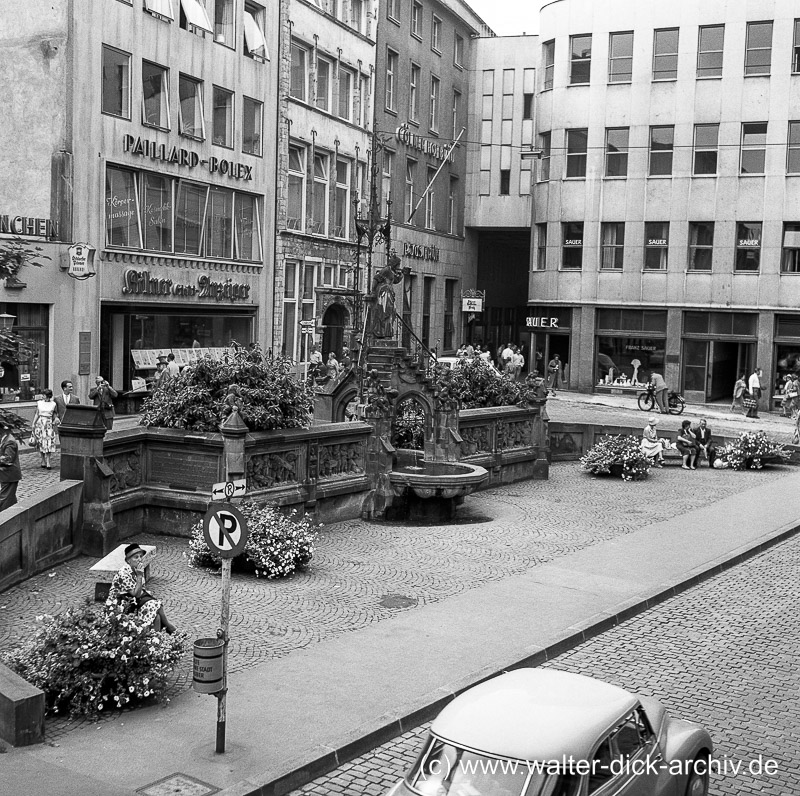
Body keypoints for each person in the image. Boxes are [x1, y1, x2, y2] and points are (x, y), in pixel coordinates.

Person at [105, 544, 176, 634]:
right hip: (121, 605)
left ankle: (156, 639)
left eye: (140, 556)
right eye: (136, 557)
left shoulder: (137, 570)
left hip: (133, 601)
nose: (139, 559)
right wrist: (139, 576)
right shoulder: (124, 573)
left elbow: (141, 590)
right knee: (154, 604)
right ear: (128, 561)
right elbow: (136, 594)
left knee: (156, 615)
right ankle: (169, 627)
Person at [31, 388, 57, 469]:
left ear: (48, 396)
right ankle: (43, 460)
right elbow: (37, 414)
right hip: (40, 423)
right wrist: (33, 423)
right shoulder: (39, 403)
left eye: (44, 395)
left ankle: (48, 461)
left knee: (49, 442)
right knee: (41, 442)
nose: (42, 396)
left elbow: (55, 414)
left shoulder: (53, 404)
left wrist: (55, 421)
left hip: (48, 424)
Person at [0, 420, 21, 511]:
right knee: (10, 497)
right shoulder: (4, 439)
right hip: (6, 475)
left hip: (9, 475)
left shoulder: (9, 441)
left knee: (5, 498)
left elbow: (7, 459)